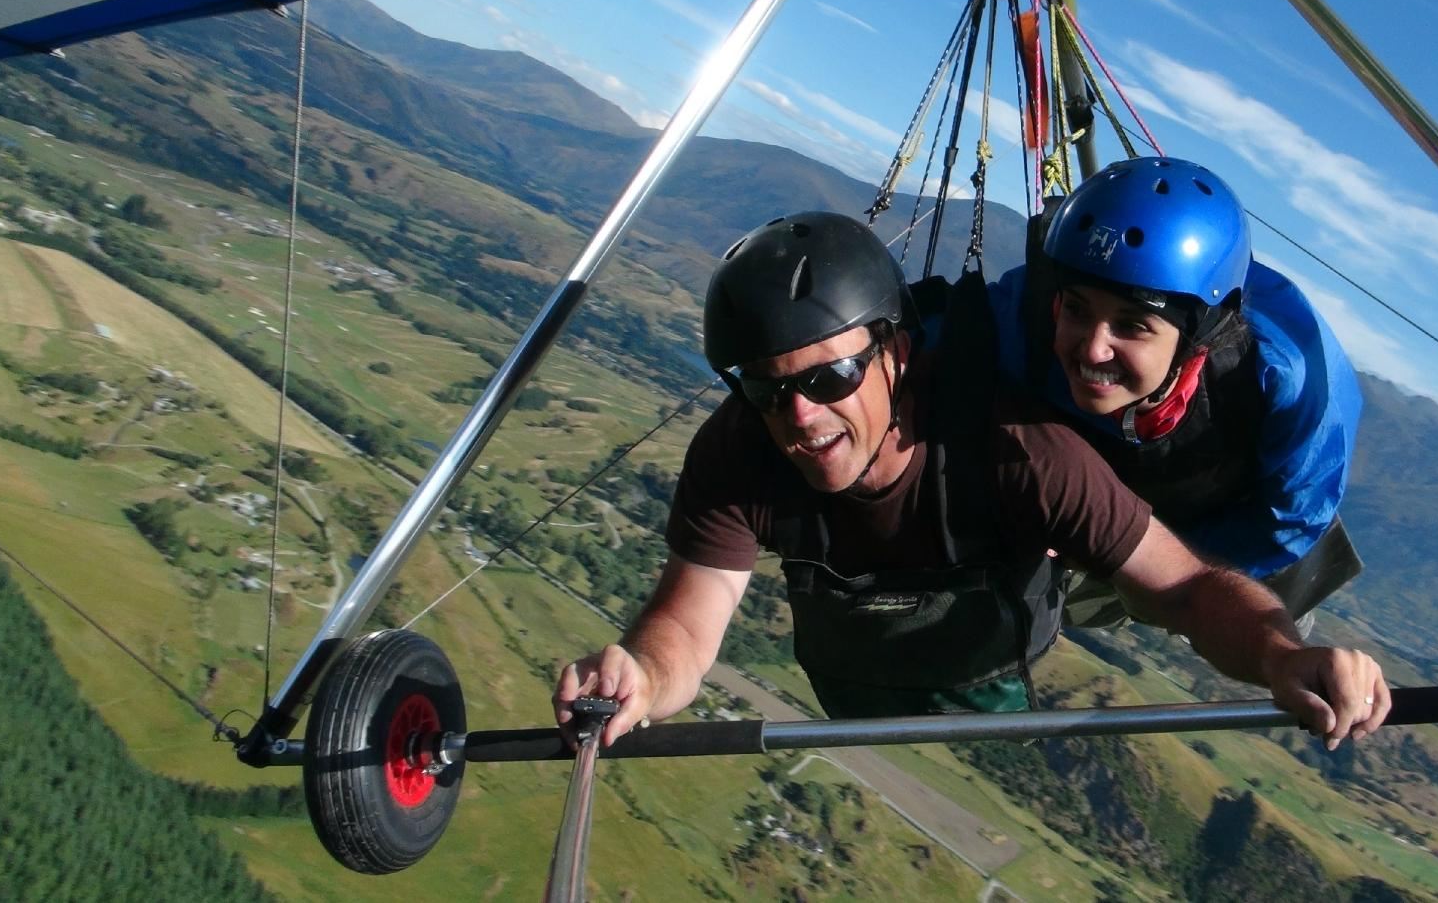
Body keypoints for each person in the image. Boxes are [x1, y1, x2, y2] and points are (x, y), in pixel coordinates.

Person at [555, 211, 1388, 746]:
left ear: (896, 353)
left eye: (831, 377)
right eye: (766, 386)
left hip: (988, 643)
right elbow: (688, 620)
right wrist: (642, 674)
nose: (800, 415)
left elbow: (1188, 590)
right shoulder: (744, 444)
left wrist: (1282, 654)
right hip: (860, 667)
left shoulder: (1021, 452)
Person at [987, 157, 1364, 626]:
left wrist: (1151, 559)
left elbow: (1289, 521)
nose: (1093, 348)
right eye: (1077, 310)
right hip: (1099, 491)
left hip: (1229, 525)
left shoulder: (1289, 387)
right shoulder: (1025, 316)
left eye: (1132, 326)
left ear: (1196, 339)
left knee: (1255, 622)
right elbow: (941, 337)